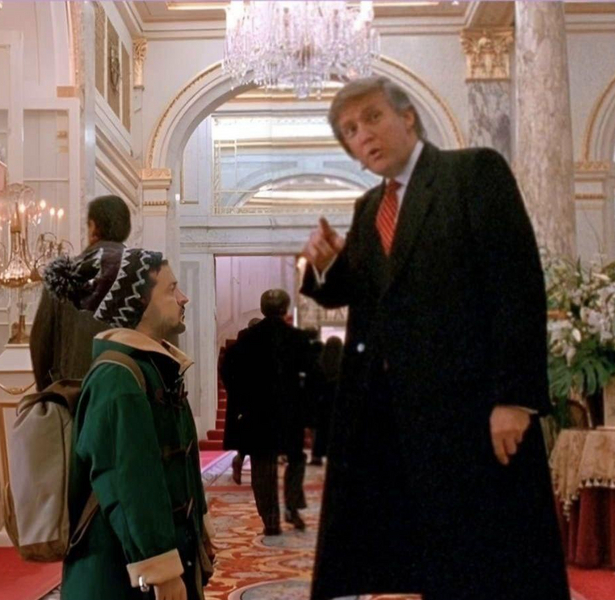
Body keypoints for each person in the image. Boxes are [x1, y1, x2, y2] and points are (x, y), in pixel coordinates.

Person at [301, 76, 569, 600]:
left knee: (493, 564)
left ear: (408, 117)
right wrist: (328, 264)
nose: (363, 135)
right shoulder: (368, 208)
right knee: (425, 563)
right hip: (397, 422)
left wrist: (514, 399)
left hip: (473, 415)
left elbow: (516, 288)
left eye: (372, 117)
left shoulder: (472, 173)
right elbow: (364, 294)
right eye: (350, 130)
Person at [43, 245, 214, 600]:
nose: (183, 298)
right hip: (118, 577)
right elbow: (129, 483)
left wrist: (198, 531)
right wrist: (161, 569)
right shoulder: (118, 378)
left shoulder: (154, 368)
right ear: (137, 301)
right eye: (171, 289)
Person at [220, 289, 313, 536]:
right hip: (290, 412)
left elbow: (228, 372)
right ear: (285, 309)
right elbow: (312, 376)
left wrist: (241, 401)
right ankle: (292, 507)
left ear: (262, 309)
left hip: (257, 413)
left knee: (262, 466)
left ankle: (270, 520)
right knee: (296, 458)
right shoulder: (297, 338)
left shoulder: (246, 338)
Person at [30, 194, 132, 391]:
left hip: (72, 393)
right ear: (126, 229)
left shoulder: (62, 274)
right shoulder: (143, 273)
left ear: (93, 227)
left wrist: (49, 391)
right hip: (127, 393)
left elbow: (40, 343)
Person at [221, 317, 261, 485]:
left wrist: (233, 391)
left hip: (240, 399)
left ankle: (240, 460)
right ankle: (255, 474)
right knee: (256, 438)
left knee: (246, 436)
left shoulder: (235, 349)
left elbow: (225, 372)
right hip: (256, 398)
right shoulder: (261, 349)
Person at [309, 336, 343, 466]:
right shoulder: (343, 366)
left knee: (320, 430)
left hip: (322, 403)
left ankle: (317, 455)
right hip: (336, 403)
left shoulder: (320, 364)